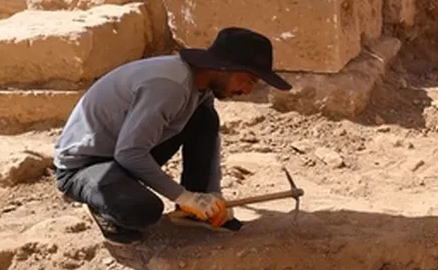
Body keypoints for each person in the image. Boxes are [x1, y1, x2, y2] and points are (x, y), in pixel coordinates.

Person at [53, 27, 292, 244]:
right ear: (224, 67)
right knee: (141, 210)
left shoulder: (200, 85)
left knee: (204, 117)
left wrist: (210, 196)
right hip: (85, 165)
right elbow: (129, 153)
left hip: (121, 151)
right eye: (247, 80)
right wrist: (184, 196)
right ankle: (104, 206)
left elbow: (206, 136)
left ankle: (193, 210)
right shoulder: (170, 86)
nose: (247, 91)